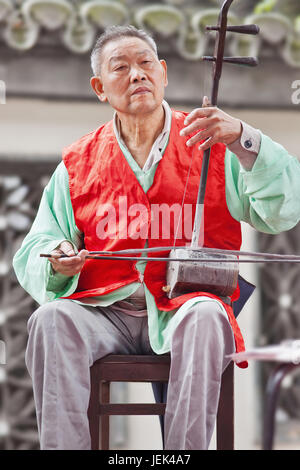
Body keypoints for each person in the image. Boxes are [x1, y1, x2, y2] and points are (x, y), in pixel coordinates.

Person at [13, 25, 300, 450]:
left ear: (163, 72)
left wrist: (244, 138)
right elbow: (38, 245)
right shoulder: (78, 162)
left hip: (186, 305)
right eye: (121, 67)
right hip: (106, 311)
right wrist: (57, 257)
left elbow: (281, 212)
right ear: (99, 87)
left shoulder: (213, 142)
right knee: (49, 321)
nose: (137, 75)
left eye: (146, 63)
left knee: (206, 315)